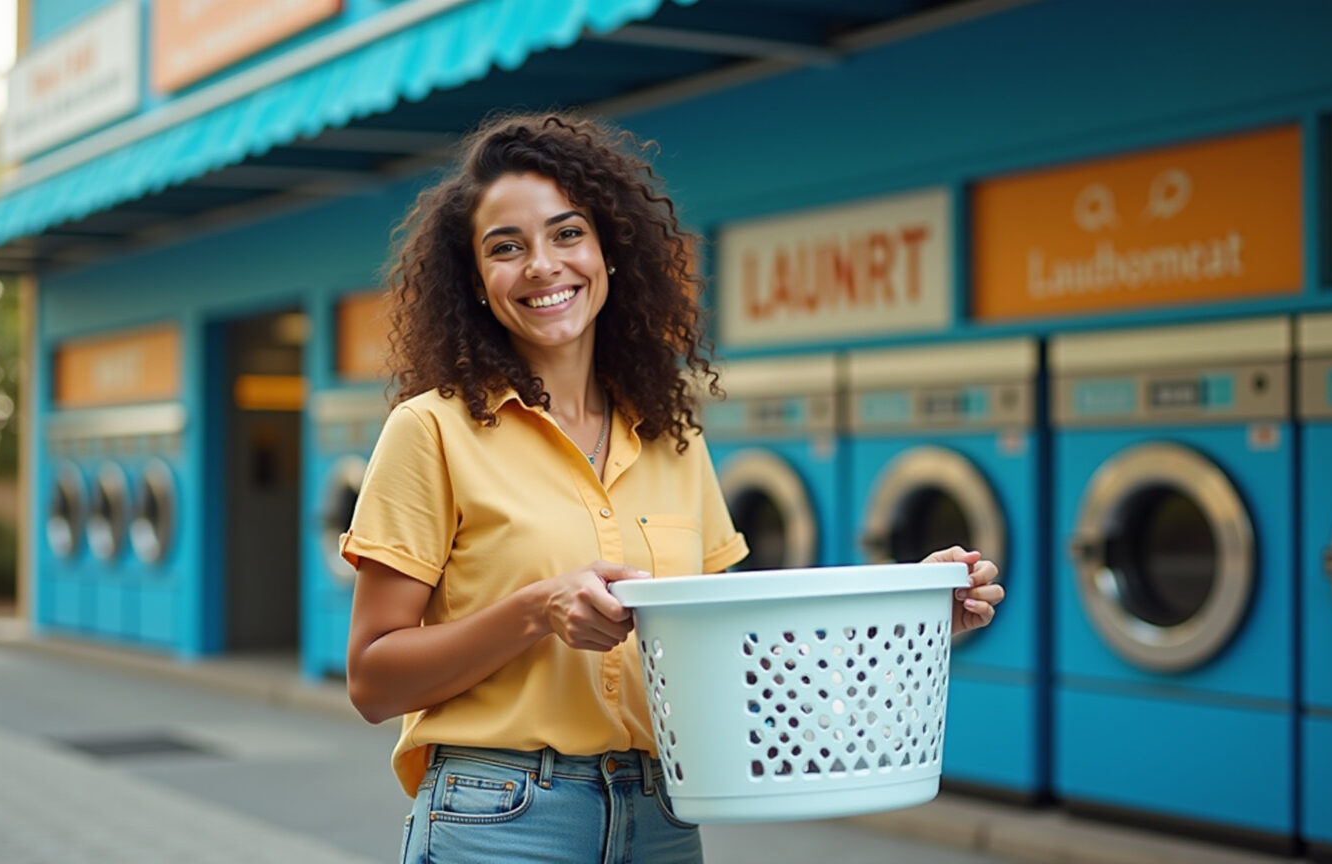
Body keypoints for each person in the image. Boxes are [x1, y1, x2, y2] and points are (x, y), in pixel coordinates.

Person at [341, 112, 1005, 864]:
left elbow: (736, 658)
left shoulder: (671, 438)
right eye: (505, 248)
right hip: (503, 819)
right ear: (475, 282)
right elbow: (372, 681)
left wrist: (909, 620)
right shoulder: (431, 431)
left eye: (567, 234)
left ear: (609, 251)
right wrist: (535, 610)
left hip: (661, 815)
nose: (541, 266)